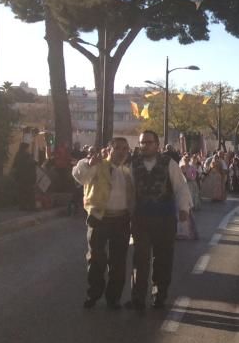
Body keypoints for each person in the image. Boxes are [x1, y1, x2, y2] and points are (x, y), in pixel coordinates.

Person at [126, 131, 193, 311]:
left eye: (149, 142)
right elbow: (129, 191)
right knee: (140, 259)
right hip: (141, 219)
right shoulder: (134, 165)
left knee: (162, 259)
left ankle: (159, 295)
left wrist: (184, 209)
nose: (145, 146)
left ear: (157, 144)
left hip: (164, 219)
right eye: (142, 143)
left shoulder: (168, 163)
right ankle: (138, 297)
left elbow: (180, 187)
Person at [71, 137, 134, 309]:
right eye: (118, 148)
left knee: (118, 261)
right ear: (110, 149)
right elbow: (79, 176)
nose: (121, 151)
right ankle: (94, 294)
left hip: (121, 220)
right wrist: (88, 163)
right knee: (96, 257)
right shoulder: (98, 166)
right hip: (100, 218)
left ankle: (113, 299)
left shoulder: (127, 172)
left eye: (125, 148)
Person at [10, 142, 37, 210]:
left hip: (20, 177)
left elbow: (14, 166)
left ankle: (22, 206)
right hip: (27, 177)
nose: (28, 149)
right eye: (28, 148)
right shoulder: (27, 155)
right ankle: (32, 207)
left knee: (22, 193)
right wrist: (34, 162)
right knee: (30, 193)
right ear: (25, 148)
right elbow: (31, 165)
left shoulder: (18, 155)